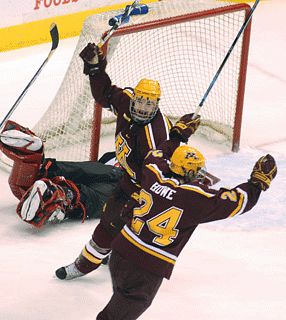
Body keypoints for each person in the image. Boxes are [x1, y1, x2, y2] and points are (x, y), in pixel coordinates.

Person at [63, 136, 277, 319]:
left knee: (122, 297)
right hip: (146, 266)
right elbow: (237, 202)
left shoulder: (153, 175)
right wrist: (256, 183)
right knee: (124, 309)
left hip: (120, 251)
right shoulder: (194, 198)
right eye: (196, 171)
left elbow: (155, 155)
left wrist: (175, 138)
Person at [54, 42, 201, 279]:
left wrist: (177, 137)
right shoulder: (126, 101)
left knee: (109, 224)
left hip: (144, 187)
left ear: (157, 104)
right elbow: (105, 93)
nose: (143, 108)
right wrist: (95, 70)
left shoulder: (156, 133)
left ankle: (83, 265)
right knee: (114, 221)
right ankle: (112, 248)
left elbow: (160, 170)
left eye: (149, 103)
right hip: (127, 176)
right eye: (140, 101)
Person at [0, 120, 123, 227]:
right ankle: (63, 195)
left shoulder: (113, 155)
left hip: (112, 169)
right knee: (104, 196)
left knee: (24, 188)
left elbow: (87, 170)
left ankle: (34, 159)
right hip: (126, 180)